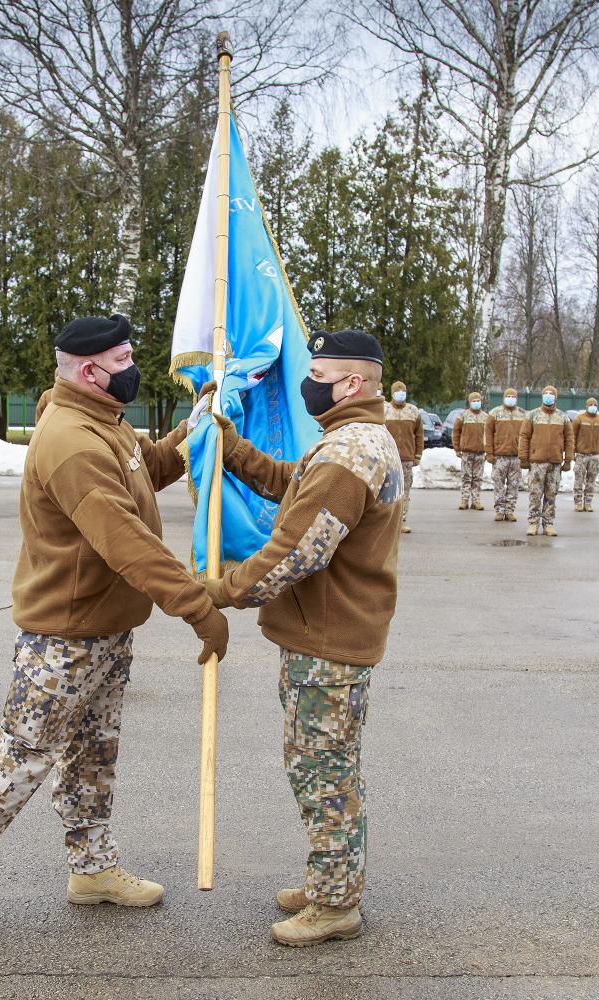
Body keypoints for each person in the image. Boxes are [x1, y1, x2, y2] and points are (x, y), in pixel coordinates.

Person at [0, 315, 228, 947]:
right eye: (125, 357)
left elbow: (145, 475)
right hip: (65, 638)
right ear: (90, 370)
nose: (134, 366)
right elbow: (125, 541)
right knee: (23, 757)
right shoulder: (72, 441)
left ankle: (92, 870)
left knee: (94, 754)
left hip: (105, 630)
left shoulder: (104, 422)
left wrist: (193, 433)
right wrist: (197, 606)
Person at [203, 330, 401, 948]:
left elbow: (297, 551)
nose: (307, 384)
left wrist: (220, 590)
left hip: (329, 640)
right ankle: (331, 881)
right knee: (328, 765)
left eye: (318, 374)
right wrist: (232, 449)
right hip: (333, 632)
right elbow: (293, 483)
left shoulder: (349, 454)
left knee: (322, 770)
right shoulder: (352, 442)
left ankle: (336, 902)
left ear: (351, 384)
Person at [518, 385, 573, 537]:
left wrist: (568, 459)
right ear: (542, 396)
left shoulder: (563, 417)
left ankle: (548, 523)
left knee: (551, 494)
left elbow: (569, 439)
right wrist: (523, 458)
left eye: (551, 394)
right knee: (535, 493)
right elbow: (524, 437)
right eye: (546, 393)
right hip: (537, 462)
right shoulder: (532, 415)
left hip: (555, 463)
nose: (548, 396)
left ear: (556, 397)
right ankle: (533, 523)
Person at [383, 380, 423, 533]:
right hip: (388, 458)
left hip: (406, 458)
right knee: (386, 491)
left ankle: (401, 521)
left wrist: (418, 455)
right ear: (392, 393)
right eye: (397, 390)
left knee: (404, 491)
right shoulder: (384, 410)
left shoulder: (413, 411)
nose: (400, 393)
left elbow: (419, 435)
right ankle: (386, 523)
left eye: (403, 390)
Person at [486, 389, 529, 522]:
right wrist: (489, 453)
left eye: (513, 396)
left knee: (514, 484)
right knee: (498, 484)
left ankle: (510, 510)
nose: (511, 398)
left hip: (516, 457)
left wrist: (525, 455)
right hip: (499, 456)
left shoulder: (523, 414)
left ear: (517, 398)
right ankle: (499, 510)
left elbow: (527, 435)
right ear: (504, 398)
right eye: (508, 396)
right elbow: (488, 434)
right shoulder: (495, 413)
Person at [571, 397, 599, 513]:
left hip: (594, 455)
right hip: (581, 455)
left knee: (591, 480)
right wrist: (572, 452)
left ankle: (588, 502)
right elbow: (572, 437)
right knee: (579, 479)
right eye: (591, 404)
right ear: (586, 406)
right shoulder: (579, 419)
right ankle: (578, 502)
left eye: (595, 405)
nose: (593, 407)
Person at [453, 392, 488, 510]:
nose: (476, 403)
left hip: (480, 452)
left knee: (477, 477)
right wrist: (457, 448)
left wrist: (488, 450)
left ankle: (476, 500)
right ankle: (464, 500)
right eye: (474, 401)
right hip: (467, 452)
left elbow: (489, 435)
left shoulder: (486, 417)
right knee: (466, 476)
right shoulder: (463, 416)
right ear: (469, 402)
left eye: (478, 400)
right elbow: (456, 432)